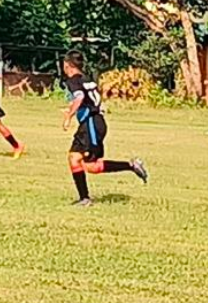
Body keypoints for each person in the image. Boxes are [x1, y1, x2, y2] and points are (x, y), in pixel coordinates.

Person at [61, 50, 147, 207]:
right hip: (95, 122)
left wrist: (69, 116)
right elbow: (90, 100)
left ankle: (85, 199)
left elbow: (80, 97)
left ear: (67, 65)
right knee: (90, 166)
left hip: (91, 125)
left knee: (75, 158)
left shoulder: (73, 81)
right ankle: (131, 165)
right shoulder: (87, 79)